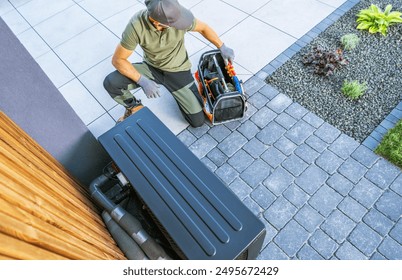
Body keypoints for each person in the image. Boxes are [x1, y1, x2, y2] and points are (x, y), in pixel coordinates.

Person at [103, 0, 235, 126]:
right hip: (151, 68)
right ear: (156, 23)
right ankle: (133, 107)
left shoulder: (178, 17)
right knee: (111, 83)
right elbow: (118, 60)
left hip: (179, 70)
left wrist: (221, 46)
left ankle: (193, 86)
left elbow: (203, 28)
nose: (179, 25)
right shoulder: (136, 25)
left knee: (197, 121)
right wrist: (142, 80)